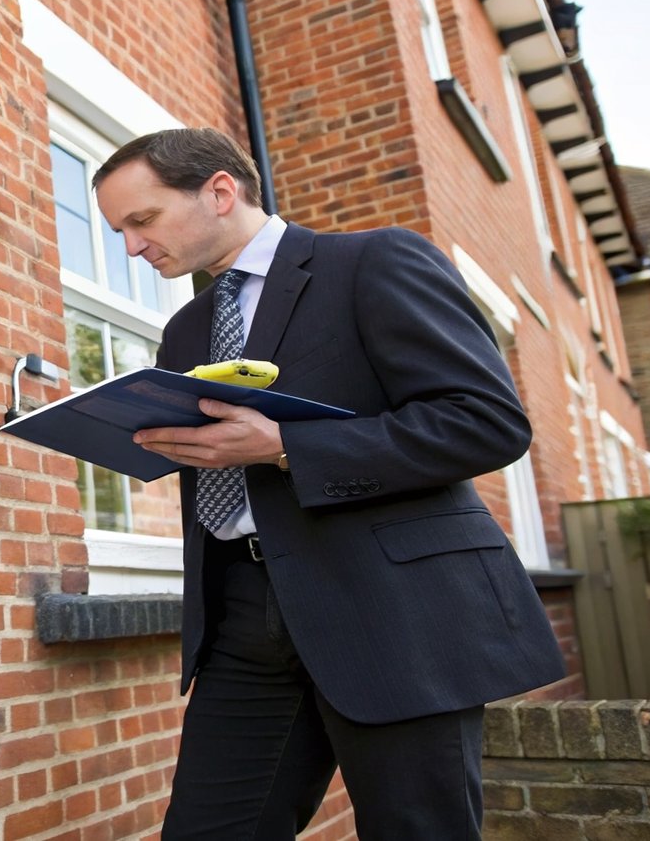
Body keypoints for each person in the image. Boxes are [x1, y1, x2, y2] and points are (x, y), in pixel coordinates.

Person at [91, 127, 565, 840]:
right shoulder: (186, 331)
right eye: (119, 230)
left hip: (390, 611)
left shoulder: (373, 262)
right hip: (242, 617)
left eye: (141, 221)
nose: (131, 246)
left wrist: (286, 446)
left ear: (221, 192)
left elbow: (486, 422)